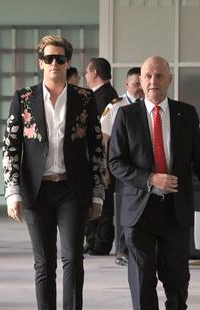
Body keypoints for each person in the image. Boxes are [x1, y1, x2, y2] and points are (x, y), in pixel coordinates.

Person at [108, 56, 200, 310]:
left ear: (169, 79)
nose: (153, 80)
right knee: (141, 280)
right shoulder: (126, 116)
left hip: (175, 211)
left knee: (177, 278)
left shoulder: (186, 114)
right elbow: (115, 162)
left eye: (159, 75)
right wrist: (148, 179)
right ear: (140, 81)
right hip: (139, 213)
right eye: (147, 75)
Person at [2, 35, 105, 310]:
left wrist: (98, 194)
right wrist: (12, 191)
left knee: (73, 259)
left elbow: (96, 149)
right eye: (49, 58)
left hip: (72, 191)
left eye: (61, 59)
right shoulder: (24, 98)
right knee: (43, 264)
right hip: (36, 191)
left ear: (68, 62)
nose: (55, 64)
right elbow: (11, 147)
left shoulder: (85, 99)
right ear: (40, 62)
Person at [99, 67, 144, 266]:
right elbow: (104, 140)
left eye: (141, 85)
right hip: (121, 168)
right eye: (135, 85)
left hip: (143, 169)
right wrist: (105, 169)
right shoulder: (115, 107)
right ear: (126, 85)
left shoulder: (148, 105)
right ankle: (123, 250)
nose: (139, 89)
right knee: (125, 210)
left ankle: (137, 249)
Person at [83, 57, 119, 255]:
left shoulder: (106, 98)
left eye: (87, 72)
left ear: (94, 72)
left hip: (103, 159)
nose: (86, 76)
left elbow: (103, 137)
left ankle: (101, 242)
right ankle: (92, 240)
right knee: (94, 200)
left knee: (104, 203)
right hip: (94, 159)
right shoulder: (96, 96)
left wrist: (103, 167)